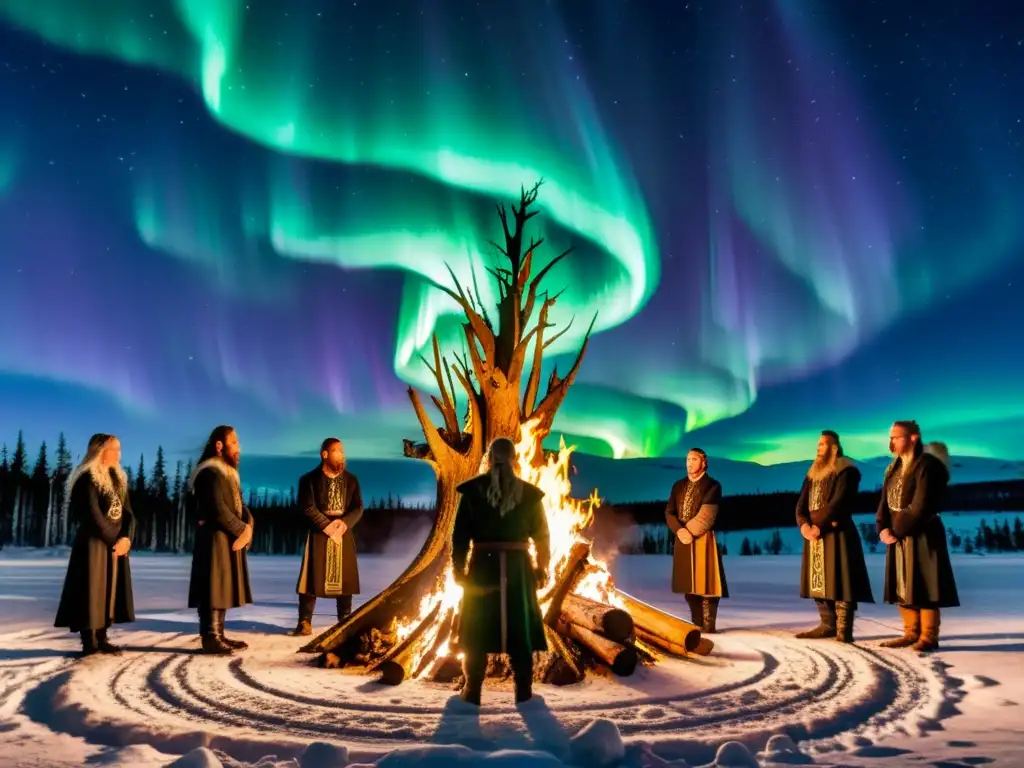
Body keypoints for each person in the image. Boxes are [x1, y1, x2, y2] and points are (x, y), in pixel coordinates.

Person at [451, 437, 550, 706]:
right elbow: (541, 537)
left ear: (489, 457)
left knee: (479, 627)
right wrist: (541, 568)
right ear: (514, 459)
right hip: (517, 568)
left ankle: (473, 690)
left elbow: (460, 537)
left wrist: (459, 568)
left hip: (484, 566)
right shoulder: (529, 494)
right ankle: (523, 691)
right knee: (518, 627)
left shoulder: (474, 492)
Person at [876, 422, 960, 652]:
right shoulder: (893, 467)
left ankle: (928, 636)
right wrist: (882, 527)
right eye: (890, 437)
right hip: (898, 538)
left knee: (926, 584)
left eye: (897, 437)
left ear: (913, 438)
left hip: (924, 535)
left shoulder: (928, 465)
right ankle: (910, 632)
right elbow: (884, 503)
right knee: (904, 587)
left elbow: (921, 505)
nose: (891, 441)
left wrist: (897, 529)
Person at [54, 434, 136, 656]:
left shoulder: (117, 479)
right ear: (100, 451)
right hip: (92, 546)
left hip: (114, 546)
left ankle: (102, 636)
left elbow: (128, 514)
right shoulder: (87, 479)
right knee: (91, 591)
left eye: (119, 449)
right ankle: (89, 640)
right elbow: (93, 516)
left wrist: (126, 539)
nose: (119, 454)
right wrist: (114, 541)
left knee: (109, 591)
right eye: (114, 449)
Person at [794, 431, 874, 642]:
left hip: (836, 533)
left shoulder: (846, 470)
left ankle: (843, 629)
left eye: (823, 444)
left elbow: (839, 503)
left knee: (841, 580)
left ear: (834, 447)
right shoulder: (813, 473)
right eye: (818, 444)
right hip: (813, 536)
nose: (818, 448)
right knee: (818, 581)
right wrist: (804, 526)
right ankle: (827, 624)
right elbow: (801, 505)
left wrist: (819, 527)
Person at [187, 425, 254, 654]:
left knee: (222, 585)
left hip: (226, 538)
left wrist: (249, 526)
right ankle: (210, 636)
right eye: (234, 442)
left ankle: (219, 633)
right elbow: (218, 508)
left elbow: (239, 506)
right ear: (219, 446)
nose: (238, 447)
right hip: (213, 541)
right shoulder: (209, 472)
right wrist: (241, 530)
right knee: (212, 586)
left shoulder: (226, 473)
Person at [291, 438, 365, 636]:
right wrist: (325, 525)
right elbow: (307, 506)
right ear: (325, 454)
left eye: (342, 451)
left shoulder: (351, 480)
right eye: (337, 451)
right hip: (319, 530)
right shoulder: (308, 480)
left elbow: (358, 507)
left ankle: (345, 618)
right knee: (311, 576)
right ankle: (304, 621)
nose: (342, 454)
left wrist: (344, 523)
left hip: (342, 530)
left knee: (345, 577)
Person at [664, 448, 728, 633]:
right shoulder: (678, 486)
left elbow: (707, 515)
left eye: (694, 459)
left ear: (703, 462)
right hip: (682, 538)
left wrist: (687, 532)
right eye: (687, 459)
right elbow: (669, 512)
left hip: (703, 538)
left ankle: (708, 626)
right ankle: (696, 623)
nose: (689, 463)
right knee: (688, 585)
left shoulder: (712, 485)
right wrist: (679, 530)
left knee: (707, 585)